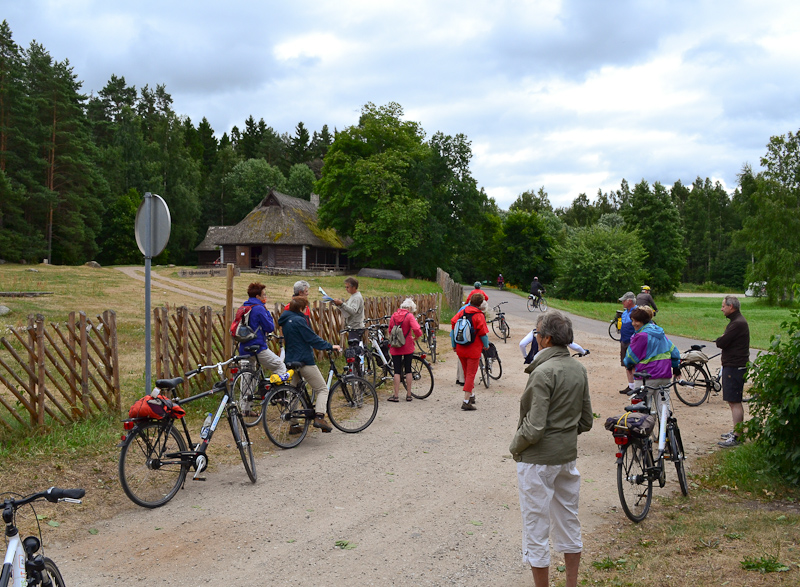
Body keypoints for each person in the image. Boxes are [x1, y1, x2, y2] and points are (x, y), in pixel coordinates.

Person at [509, 311, 593, 587]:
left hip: (537, 460)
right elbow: (586, 421)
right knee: (569, 520)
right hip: (566, 457)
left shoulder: (542, 372)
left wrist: (515, 446)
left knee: (536, 527)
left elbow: (534, 427)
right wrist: (564, 435)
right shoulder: (578, 369)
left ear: (545, 338)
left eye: (537, 334)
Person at [277, 297, 341, 433]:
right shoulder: (299, 321)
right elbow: (312, 338)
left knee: (294, 391)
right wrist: (330, 346)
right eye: (305, 307)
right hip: (304, 360)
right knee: (322, 389)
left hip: (290, 360)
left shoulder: (285, 320)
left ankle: (294, 424)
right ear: (301, 309)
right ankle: (319, 417)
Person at [715, 295, 750, 448]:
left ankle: (737, 436)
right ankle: (737, 431)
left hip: (735, 366)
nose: (721, 309)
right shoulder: (736, 322)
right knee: (732, 401)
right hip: (734, 365)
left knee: (735, 401)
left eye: (723, 306)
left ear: (731, 306)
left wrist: (721, 338)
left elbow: (722, 342)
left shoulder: (737, 323)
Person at [623, 306, 680, 390]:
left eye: (636, 321)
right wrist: (675, 367)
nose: (633, 323)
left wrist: (628, 365)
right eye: (632, 321)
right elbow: (674, 352)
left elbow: (631, 356)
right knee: (663, 399)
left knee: (640, 398)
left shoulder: (641, 336)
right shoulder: (660, 333)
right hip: (664, 375)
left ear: (643, 321)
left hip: (647, 375)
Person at [239, 283, 287, 382]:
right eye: (264, 295)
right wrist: (267, 312)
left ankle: (245, 393)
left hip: (244, 347)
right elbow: (270, 327)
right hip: (258, 347)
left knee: (248, 376)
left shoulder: (244, 306)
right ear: (258, 296)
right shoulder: (259, 308)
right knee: (279, 366)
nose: (265, 297)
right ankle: (277, 391)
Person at [450, 293, 489, 410]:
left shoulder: (462, 312)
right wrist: (486, 345)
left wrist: (454, 345)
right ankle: (466, 401)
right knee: (471, 374)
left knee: (467, 372)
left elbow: (453, 327)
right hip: (473, 349)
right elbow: (483, 333)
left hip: (461, 347)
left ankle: (471, 395)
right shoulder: (479, 315)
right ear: (480, 303)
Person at [386, 298, 423, 402]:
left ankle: (396, 395)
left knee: (397, 371)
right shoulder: (409, 316)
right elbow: (417, 329)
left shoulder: (394, 316)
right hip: (407, 346)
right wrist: (416, 337)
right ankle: (409, 394)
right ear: (410, 308)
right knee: (408, 369)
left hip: (396, 346)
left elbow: (390, 330)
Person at [519, 330, 588, 364]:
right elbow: (574, 346)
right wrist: (583, 352)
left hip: (535, 361)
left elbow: (522, 344)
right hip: (552, 363)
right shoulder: (558, 334)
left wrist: (526, 356)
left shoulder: (535, 332)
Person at [332, 277, 365, 346]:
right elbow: (347, 309)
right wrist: (339, 305)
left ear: (354, 287)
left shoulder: (356, 297)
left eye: (348, 287)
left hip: (356, 328)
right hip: (353, 327)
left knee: (354, 349)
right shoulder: (353, 296)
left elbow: (353, 311)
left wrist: (342, 304)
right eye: (345, 287)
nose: (346, 289)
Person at [617, 291, 638, 393]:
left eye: (624, 301)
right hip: (624, 341)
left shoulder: (637, 312)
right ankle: (631, 386)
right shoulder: (625, 312)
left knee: (633, 365)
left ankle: (637, 386)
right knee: (626, 364)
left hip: (633, 342)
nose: (622, 303)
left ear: (629, 301)